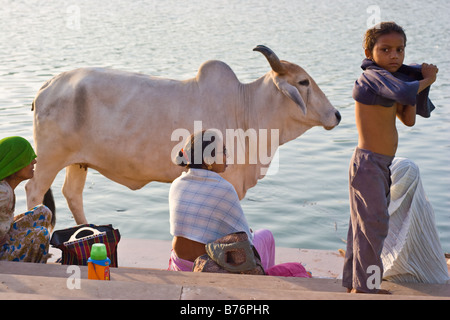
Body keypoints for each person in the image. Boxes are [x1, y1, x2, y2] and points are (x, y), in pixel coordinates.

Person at [342, 22, 439, 293]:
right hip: (367, 163)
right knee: (373, 226)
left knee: (364, 226)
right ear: (369, 51)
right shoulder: (371, 78)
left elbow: (408, 119)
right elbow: (403, 92)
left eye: (399, 50)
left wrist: (417, 84)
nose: (394, 56)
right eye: (385, 50)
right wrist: (427, 79)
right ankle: (367, 287)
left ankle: (355, 284)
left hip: (381, 165)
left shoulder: (393, 82)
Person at [168, 129, 276, 272]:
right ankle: (264, 279)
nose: (227, 156)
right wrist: (245, 232)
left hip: (181, 261)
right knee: (266, 236)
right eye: (223, 151)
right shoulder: (224, 188)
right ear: (208, 160)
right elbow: (246, 242)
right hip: (209, 263)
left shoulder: (176, 184)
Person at [0, 136, 53, 263]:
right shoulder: (3, 193)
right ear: (15, 163)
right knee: (41, 234)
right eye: (28, 159)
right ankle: (33, 272)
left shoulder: (7, 189)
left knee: (43, 211)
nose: (34, 161)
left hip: (4, 236)